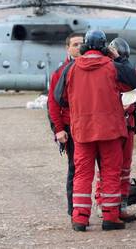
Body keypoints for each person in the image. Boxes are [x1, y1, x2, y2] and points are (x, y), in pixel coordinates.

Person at [55, 30, 136, 231]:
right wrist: (118, 59)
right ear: (104, 47)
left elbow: (60, 98)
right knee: (110, 173)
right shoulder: (113, 67)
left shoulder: (71, 68)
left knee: (82, 175)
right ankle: (110, 217)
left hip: (82, 131)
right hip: (110, 130)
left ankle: (80, 219)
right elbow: (134, 82)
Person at [94, 38, 136, 223]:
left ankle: (121, 204)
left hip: (128, 126)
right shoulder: (104, 71)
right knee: (106, 168)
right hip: (110, 126)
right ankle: (104, 204)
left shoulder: (129, 71)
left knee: (124, 168)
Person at [47, 33, 83, 217]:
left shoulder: (97, 67)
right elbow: (52, 104)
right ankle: (74, 210)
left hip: (92, 125)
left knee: (104, 168)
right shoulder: (59, 73)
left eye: (82, 44)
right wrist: (59, 130)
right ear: (67, 48)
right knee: (75, 169)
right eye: (75, 44)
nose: (79, 47)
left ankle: (106, 207)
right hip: (71, 127)